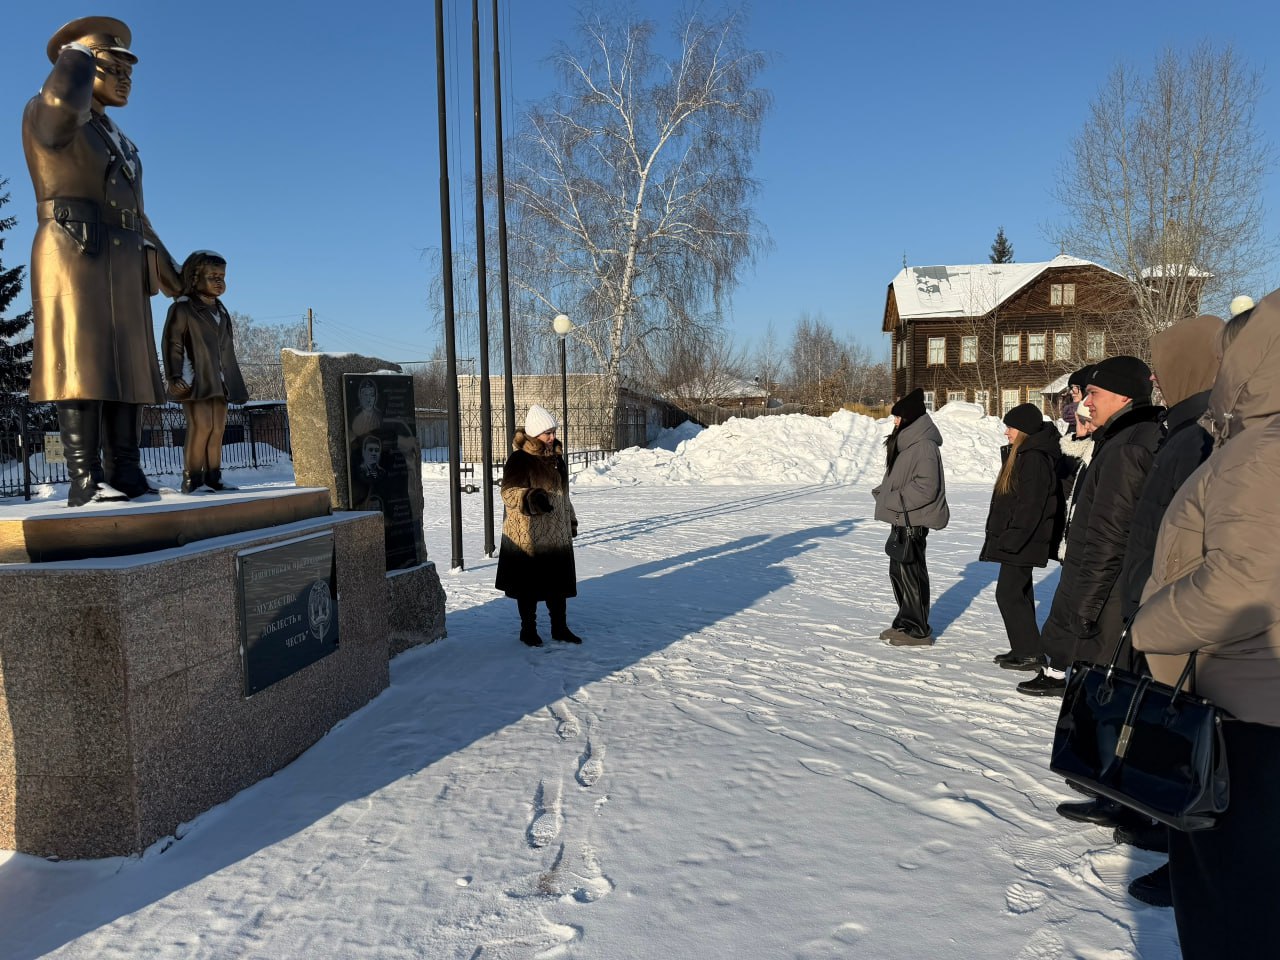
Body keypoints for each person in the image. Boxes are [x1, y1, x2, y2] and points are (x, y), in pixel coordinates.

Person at [1130, 290, 1280, 958]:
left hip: (1245, 719)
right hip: (1256, 703)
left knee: (1231, 908)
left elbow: (1244, 581)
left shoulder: (1262, 451)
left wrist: (1148, 624)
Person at [22, 17, 183, 506]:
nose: (125, 77)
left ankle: (126, 469)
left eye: (128, 69)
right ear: (81, 67)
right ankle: (84, 476)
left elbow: (138, 213)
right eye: (111, 66)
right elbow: (57, 111)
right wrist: (74, 56)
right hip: (74, 249)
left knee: (129, 367)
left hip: (125, 257)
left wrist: (175, 274)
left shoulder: (122, 140)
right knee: (82, 363)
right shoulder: (50, 111)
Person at [1111, 312, 1224, 908]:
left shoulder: (1200, 436)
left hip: (1174, 613)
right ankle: (1160, 824)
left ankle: (1185, 855)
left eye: (1164, 364)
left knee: (1186, 737)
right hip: (1154, 602)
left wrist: (1154, 608)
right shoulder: (1182, 430)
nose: (1155, 376)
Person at [1018, 356, 1163, 699]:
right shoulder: (1122, 438)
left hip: (1106, 602)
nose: (1085, 403)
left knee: (1098, 707)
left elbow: (1110, 538)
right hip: (1103, 593)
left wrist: (1087, 608)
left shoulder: (1127, 448)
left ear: (1124, 396)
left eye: (1094, 393)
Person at [980, 404, 1062, 670]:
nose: (1006, 433)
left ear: (1024, 430)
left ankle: (1029, 652)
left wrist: (1014, 537)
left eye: (1011, 428)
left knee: (1009, 594)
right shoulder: (1023, 455)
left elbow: (1031, 505)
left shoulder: (1034, 458)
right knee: (1017, 593)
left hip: (1024, 539)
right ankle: (1025, 649)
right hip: (1018, 538)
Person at [162, 251, 248, 493]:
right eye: (213, 276)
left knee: (218, 429)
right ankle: (193, 479)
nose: (219, 281)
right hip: (196, 378)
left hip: (219, 380)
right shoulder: (184, 308)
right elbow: (173, 343)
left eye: (222, 276)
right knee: (200, 427)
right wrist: (174, 375)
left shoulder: (221, 310)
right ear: (195, 277)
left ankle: (214, 477)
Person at [496, 405, 581, 647]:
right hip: (529, 533)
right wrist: (531, 497)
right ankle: (528, 630)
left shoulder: (557, 459)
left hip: (556, 532)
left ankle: (560, 628)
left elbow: (563, 495)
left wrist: (570, 519)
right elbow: (509, 493)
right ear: (535, 434)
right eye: (547, 433)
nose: (553, 437)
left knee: (558, 584)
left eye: (553, 431)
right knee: (529, 586)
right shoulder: (520, 459)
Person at [872, 388, 949, 646]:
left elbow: (926, 487)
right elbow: (904, 479)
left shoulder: (924, 446)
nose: (894, 422)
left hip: (914, 520)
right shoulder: (909, 442)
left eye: (897, 417)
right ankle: (905, 622)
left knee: (912, 574)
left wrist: (891, 499)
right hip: (903, 518)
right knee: (899, 572)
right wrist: (884, 492)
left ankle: (917, 630)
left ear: (910, 418)